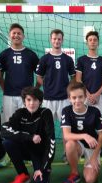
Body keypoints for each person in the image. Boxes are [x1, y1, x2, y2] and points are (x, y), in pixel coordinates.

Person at [1, 87, 55, 183]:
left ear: (40, 101)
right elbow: (3, 129)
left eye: (35, 100)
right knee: (7, 143)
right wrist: (30, 137)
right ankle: (23, 174)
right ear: (24, 102)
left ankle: (44, 169)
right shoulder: (20, 113)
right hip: (25, 150)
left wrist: (43, 167)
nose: (31, 103)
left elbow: (51, 141)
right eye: (28, 100)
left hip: (39, 153)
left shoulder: (46, 113)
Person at [36, 29, 75, 162]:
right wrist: (47, 88)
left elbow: (73, 78)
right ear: (50, 40)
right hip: (48, 100)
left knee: (67, 129)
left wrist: (69, 92)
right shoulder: (45, 59)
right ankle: (45, 154)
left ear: (62, 40)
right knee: (46, 129)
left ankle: (67, 154)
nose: (56, 41)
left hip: (64, 100)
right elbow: (39, 77)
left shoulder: (68, 59)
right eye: (54, 39)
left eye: (59, 39)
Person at [61, 81, 102, 183]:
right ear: (69, 98)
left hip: (92, 147)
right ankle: (74, 173)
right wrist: (85, 136)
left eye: (80, 97)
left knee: (90, 180)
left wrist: (94, 156)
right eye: (74, 97)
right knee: (69, 144)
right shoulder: (66, 111)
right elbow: (66, 135)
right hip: (78, 145)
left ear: (85, 97)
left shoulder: (94, 111)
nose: (77, 100)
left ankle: (91, 165)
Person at [0, 23, 39, 123]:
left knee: (27, 124)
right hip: (9, 96)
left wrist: (34, 90)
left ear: (23, 36)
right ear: (9, 35)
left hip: (26, 97)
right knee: (8, 124)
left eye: (19, 33)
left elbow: (40, 76)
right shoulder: (4, 54)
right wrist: (5, 89)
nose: (16, 35)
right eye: (14, 33)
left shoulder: (31, 55)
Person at [76, 30, 102, 117]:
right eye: (90, 40)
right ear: (87, 43)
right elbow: (78, 79)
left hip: (100, 96)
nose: (92, 42)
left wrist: (96, 95)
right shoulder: (81, 60)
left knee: (101, 122)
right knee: (84, 121)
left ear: (98, 43)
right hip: (84, 96)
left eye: (95, 40)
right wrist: (88, 95)